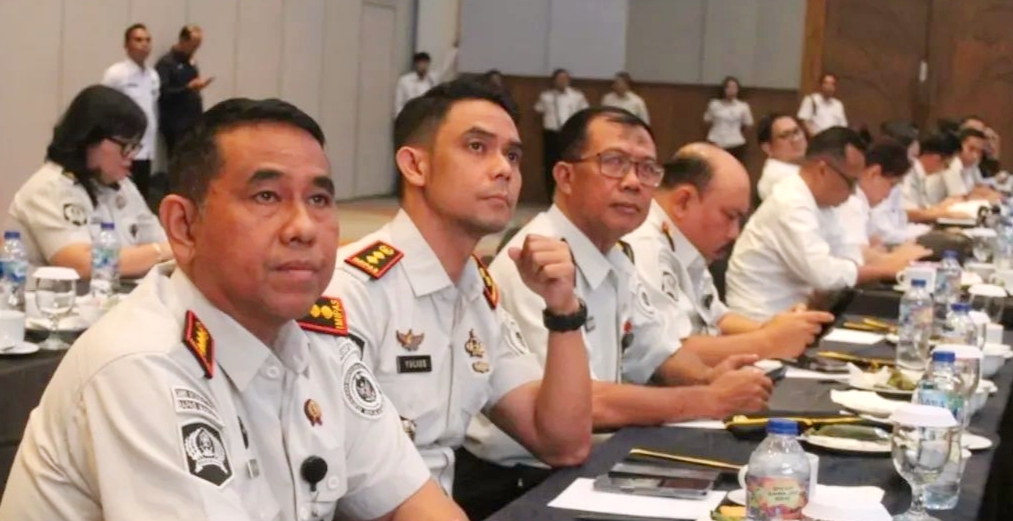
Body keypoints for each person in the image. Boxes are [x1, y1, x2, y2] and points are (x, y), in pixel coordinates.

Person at [0, 98, 467, 521]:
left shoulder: (321, 340)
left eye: (319, 199)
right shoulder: (142, 364)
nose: (304, 227)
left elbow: (412, 501)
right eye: (267, 196)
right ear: (184, 226)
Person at [462, 107, 773, 517]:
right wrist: (708, 398)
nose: (632, 182)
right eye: (614, 163)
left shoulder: (616, 255)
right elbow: (585, 404)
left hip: (590, 459)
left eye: (646, 169)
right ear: (565, 176)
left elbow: (656, 352)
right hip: (520, 481)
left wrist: (710, 377)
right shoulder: (534, 259)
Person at [321, 78, 592, 500]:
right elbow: (347, 481)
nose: (504, 169)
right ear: (415, 166)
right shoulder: (351, 290)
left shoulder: (478, 295)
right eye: (477, 147)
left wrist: (564, 310)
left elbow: (563, 443)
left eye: (513, 155)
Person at [623, 143, 834, 363]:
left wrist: (778, 330)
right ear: (683, 201)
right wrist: (767, 340)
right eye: (729, 216)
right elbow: (668, 354)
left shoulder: (686, 243)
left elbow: (715, 317)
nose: (734, 233)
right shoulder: (643, 246)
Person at [726, 128, 930, 321]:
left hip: (799, 314)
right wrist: (885, 268)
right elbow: (823, 274)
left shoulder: (824, 202)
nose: (853, 192)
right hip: (761, 322)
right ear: (823, 170)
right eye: (850, 182)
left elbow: (847, 254)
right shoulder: (789, 202)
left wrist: (884, 263)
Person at [5, 85, 171, 278]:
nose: (132, 155)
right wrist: (160, 252)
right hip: (45, 297)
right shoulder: (48, 188)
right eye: (126, 145)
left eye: (135, 146)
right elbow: (82, 264)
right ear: (89, 138)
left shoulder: (123, 187)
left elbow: (164, 243)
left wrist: (167, 250)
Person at [101, 23, 159, 204]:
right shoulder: (116, 73)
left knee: (141, 197)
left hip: (146, 148)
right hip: (124, 147)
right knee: (121, 195)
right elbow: (104, 105)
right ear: (127, 45)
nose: (144, 44)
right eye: (138, 40)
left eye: (148, 40)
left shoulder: (153, 76)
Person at [836, 139, 915, 259]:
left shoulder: (863, 204)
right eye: (891, 184)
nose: (888, 195)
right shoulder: (852, 203)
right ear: (874, 173)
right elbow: (863, 256)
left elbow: (877, 244)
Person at [534, 68, 589, 199]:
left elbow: (585, 112)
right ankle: (551, 197)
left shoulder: (577, 96)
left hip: (570, 133)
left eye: (565, 78)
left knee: (570, 163)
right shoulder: (546, 96)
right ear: (554, 80)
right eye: (559, 79)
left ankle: (570, 194)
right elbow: (537, 110)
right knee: (551, 165)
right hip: (551, 134)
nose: (562, 81)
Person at [156, 25, 211, 153]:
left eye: (197, 46)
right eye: (193, 45)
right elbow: (163, 93)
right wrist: (187, 88)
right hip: (176, 124)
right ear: (183, 40)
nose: (195, 50)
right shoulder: (166, 63)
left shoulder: (191, 62)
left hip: (193, 121)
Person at [868, 123, 920, 245]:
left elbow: (901, 224)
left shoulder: (892, 183)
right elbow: (884, 234)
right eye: (912, 157)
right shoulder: (879, 185)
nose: (915, 163)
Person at [903, 132, 968, 223]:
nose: (945, 170)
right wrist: (946, 214)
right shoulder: (907, 174)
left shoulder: (920, 175)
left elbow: (923, 208)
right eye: (946, 165)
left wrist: (941, 208)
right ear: (936, 159)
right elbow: (908, 213)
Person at [755, 113, 808, 200]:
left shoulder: (800, 166)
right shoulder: (780, 177)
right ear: (767, 148)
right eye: (785, 136)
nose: (795, 139)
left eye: (796, 132)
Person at [940, 127, 1000, 201]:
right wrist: (985, 195)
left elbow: (980, 186)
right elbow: (959, 199)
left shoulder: (972, 165)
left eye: (979, 151)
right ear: (959, 147)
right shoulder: (951, 165)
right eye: (971, 149)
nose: (975, 155)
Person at [394, 48, 459, 117]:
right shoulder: (405, 80)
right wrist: (399, 118)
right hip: (410, 115)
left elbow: (445, 67)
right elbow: (398, 103)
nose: (423, 66)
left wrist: (454, 49)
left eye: (425, 63)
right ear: (415, 64)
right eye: (420, 63)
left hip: (427, 116)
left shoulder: (432, 78)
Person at [703, 76, 753, 163]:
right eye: (728, 87)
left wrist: (739, 135)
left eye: (734, 87)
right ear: (724, 89)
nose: (731, 90)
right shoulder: (714, 104)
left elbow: (748, 124)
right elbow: (707, 121)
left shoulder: (743, 106)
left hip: (736, 144)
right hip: (715, 142)